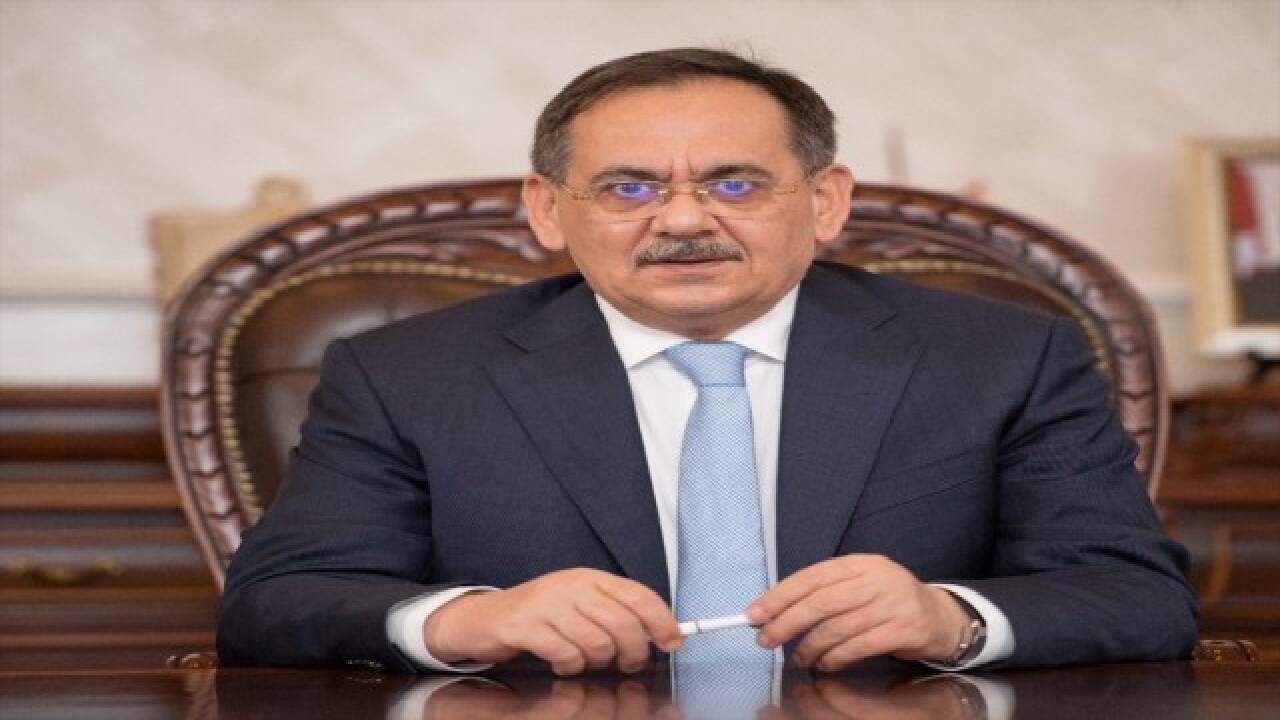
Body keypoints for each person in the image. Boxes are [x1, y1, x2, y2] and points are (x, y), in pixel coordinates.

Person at [217, 48, 1197, 676]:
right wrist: (468, 620)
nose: (682, 220)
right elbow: (273, 604)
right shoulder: (408, 375)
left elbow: (1135, 594)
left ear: (825, 202)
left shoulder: (1000, 358)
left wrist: (951, 619)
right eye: (627, 188)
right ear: (548, 211)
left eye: (735, 184)